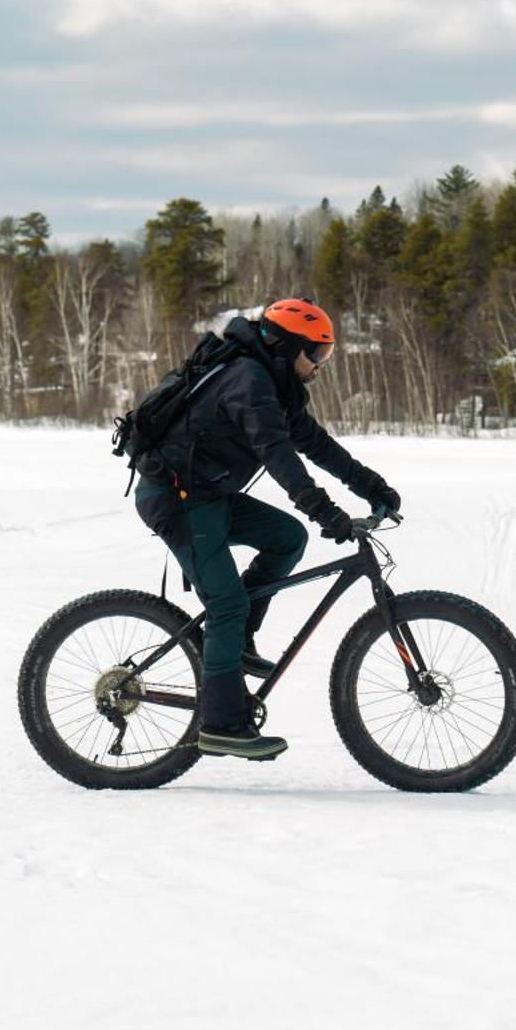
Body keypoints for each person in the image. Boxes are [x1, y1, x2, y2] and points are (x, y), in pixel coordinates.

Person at [132, 298, 400, 761]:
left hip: (207, 493)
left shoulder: (274, 382)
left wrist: (372, 486)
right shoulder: (249, 381)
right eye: (315, 354)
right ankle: (221, 725)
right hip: (177, 500)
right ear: (288, 346)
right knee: (227, 603)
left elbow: (314, 443)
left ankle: (238, 644)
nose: (320, 364)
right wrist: (324, 510)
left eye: (327, 355)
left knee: (287, 538)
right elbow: (277, 453)